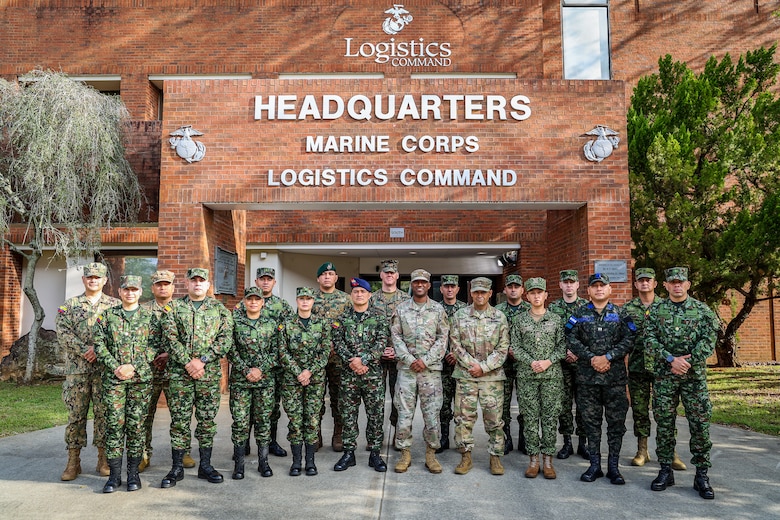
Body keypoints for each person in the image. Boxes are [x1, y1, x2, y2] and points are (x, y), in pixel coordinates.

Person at [645, 267, 719, 500]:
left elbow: (710, 339)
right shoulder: (656, 310)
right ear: (665, 285)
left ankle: (701, 475)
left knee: (699, 424)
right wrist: (670, 359)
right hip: (665, 376)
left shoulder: (702, 310)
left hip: (693, 377)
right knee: (665, 423)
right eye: (672, 282)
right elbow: (648, 339)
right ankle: (665, 470)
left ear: (688, 284)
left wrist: (689, 361)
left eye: (681, 282)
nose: (677, 285)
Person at [160, 267, 233, 488]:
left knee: (207, 422)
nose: (198, 284)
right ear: (187, 283)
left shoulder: (219, 310)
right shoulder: (173, 308)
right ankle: (177, 468)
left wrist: (202, 360)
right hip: (179, 375)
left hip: (208, 374)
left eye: (202, 280)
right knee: (180, 421)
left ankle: (206, 466)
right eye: (194, 280)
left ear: (208, 285)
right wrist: (187, 362)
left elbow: (225, 338)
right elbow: (169, 338)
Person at [93, 275, 160, 493]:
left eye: (134, 290)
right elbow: (99, 345)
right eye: (126, 290)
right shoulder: (107, 316)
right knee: (113, 426)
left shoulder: (150, 318)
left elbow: (155, 345)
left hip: (140, 380)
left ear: (140, 292)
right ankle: (114, 476)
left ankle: (133, 474)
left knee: (136, 426)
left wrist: (133, 366)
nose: (130, 293)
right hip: (114, 381)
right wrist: (116, 367)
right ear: (119, 292)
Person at [566, 273, 635, 485]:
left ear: (609, 289)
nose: (598, 289)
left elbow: (630, 338)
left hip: (614, 380)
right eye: (594, 286)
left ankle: (613, 467)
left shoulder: (622, 314)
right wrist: (592, 358)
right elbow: (570, 338)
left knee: (616, 424)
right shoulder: (578, 314)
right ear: (588, 291)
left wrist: (608, 357)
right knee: (591, 424)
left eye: (602, 286)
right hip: (588, 379)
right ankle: (594, 465)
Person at [56, 262, 119, 481]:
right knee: (76, 416)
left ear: (104, 281)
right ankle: (73, 461)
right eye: (89, 277)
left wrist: (99, 351)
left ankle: (103, 459)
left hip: (104, 371)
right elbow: (63, 333)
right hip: (78, 371)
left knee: (104, 415)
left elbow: (120, 334)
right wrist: (85, 350)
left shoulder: (114, 306)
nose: (93, 280)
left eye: (97, 277)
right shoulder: (70, 305)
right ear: (84, 280)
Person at [622, 268, 688, 471]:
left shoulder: (666, 306)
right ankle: (642, 450)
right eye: (640, 280)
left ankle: (670, 451)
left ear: (655, 283)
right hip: (637, 366)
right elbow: (623, 338)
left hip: (663, 368)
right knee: (640, 410)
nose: (644, 284)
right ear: (635, 284)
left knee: (665, 411)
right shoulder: (628, 309)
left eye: (648, 280)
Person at [449, 277, 509, 476]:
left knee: (494, 420)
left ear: (490, 293)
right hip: (466, 376)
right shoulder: (460, 316)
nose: (480, 295)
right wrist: (471, 366)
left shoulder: (499, 317)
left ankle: (495, 457)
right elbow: (455, 345)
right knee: (463, 419)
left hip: (491, 378)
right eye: (476, 292)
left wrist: (483, 368)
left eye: (484, 292)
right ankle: (465, 457)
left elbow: (503, 348)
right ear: (471, 293)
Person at [138, 270, 197, 472]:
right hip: (149, 370)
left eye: (166, 284)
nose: (163, 287)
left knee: (181, 413)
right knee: (145, 414)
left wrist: (170, 355)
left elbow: (190, 342)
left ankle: (184, 451)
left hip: (177, 371)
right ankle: (143, 454)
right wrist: (152, 356)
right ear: (152, 288)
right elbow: (136, 341)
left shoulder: (184, 309)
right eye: (158, 284)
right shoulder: (142, 311)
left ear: (173, 287)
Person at [391, 269, 448, 474]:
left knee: (432, 416)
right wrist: (410, 360)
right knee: (404, 416)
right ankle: (404, 453)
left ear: (428, 284)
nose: (420, 285)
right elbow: (396, 337)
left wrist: (425, 361)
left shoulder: (438, 310)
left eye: (423, 282)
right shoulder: (401, 309)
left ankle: (431, 455)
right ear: (412, 284)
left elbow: (443, 339)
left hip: (430, 372)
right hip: (407, 371)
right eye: (416, 282)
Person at [331, 277, 389, 472]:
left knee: (375, 415)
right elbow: (337, 344)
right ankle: (349, 453)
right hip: (349, 375)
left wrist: (363, 360)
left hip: (372, 375)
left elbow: (381, 343)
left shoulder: (379, 317)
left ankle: (375, 454)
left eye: (362, 292)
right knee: (348, 415)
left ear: (369, 295)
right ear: (351, 295)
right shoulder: (341, 319)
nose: (359, 294)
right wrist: (353, 361)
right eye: (355, 292)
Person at [513, 277, 565, 479]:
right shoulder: (520, 320)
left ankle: (548, 460)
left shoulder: (555, 320)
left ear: (546, 295)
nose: (536, 296)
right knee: (530, 419)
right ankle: (533, 459)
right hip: (527, 376)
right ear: (527, 296)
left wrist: (547, 361)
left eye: (539, 292)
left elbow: (561, 347)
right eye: (532, 292)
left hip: (551, 377)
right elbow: (515, 347)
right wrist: (531, 361)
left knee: (550, 418)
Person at [229, 286, 281, 479]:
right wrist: (246, 370)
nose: (253, 302)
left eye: (256, 299)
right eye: (249, 299)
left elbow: (277, 351)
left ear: (262, 303)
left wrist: (261, 369)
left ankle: (263, 463)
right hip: (241, 382)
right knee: (240, 422)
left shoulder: (271, 324)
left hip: (265, 382)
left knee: (263, 422)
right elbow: (230, 349)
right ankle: (239, 465)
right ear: (244, 302)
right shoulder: (235, 322)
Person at [279, 287, 331, 476]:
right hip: (292, 380)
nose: (305, 302)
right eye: (302, 298)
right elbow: (282, 352)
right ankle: (296, 462)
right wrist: (298, 372)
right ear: (297, 300)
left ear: (313, 301)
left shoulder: (322, 324)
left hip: (315, 380)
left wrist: (309, 372)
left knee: (311, 420)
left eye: (308, 298)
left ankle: (310, 462)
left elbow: (325, 352)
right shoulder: (286, 324)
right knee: (294, 420)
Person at [548, 269, 589, 460]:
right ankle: (567, 443)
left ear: (578, 285)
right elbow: (551, 336)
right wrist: (565, 352)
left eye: (572, 282)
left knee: (584, 404)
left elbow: (591, 337)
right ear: (560, 285)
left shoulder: (586, 307)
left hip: (582, 364)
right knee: (563, 405)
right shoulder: (553, 308)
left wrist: (578, 353)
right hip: (561, 364)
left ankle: (583, 443)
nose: (569, 285)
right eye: (566, 282)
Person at [370, 259, 410, 450]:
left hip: (399, 357)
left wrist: (396, 349)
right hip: (375, 358)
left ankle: (396, 433)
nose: (389, 275)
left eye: (392, 272)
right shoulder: (371, 299)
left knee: (398, 399)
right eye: (386, 272)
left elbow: (408, 330)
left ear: (397, 275)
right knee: (375, 399)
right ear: (381, 275)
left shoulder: (405, 300)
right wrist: (378, 350)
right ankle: (375, 437)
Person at [312, 262, 351, 452]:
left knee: (339, 398)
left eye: (331, 274)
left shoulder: (346, 300)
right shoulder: (310, 299)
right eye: (324, 274)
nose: (327, 277)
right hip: (316, 359)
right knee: (316, 398)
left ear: (336, 278)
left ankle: (338, 434)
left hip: (339, 359)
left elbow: (350, 327)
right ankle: (315, 434)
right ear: (318, 278)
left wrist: (339, 345)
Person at [254, 267, 293, 458]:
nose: (265, 282)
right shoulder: (247, 303)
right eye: (262, 279)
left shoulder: (282, 306)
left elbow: (288, 334)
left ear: (274, 283)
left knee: (272, 407)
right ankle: (243, 441)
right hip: (250, 367)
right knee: (247, 407)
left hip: (275, 366)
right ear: (256, 282)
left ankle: (271, 442)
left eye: (269, 279)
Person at [495, 274, 530, 455]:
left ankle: (524, 438)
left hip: (525, 364)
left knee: (525, 402)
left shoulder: (530, 309)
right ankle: (506, 438)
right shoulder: (498, 311)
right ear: (505, 290)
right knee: (503, 403)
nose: (514, 289)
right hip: (503, 364)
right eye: (510, 286)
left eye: (517, 286)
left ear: (522, 289)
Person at [436, 274, 466, 453]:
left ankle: (461, 440)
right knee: (443, 404)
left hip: (460, 365)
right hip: (440, 365)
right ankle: (444, 437)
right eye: (446, 286)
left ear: (457, 289)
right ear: (441, 289)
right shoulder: (435, 309)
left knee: (461, 405)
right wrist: (445, 353)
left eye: (452, 286)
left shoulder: (465, 310)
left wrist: (456, 354)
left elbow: (469, 337)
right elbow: (431, 336)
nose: (449, 289)